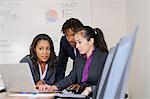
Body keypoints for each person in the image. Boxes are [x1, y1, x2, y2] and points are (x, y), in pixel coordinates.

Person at [38, 26, 108, 96]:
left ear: (90, 41)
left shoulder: (103, 58)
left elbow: (108, 83)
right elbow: (71, 78)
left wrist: (91, 89)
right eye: (76, 42)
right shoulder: (79, 59)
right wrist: (54, 87)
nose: (77, 46)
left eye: (79, 42)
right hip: (83, 95)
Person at [55, 18, 84, 83]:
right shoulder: (64, 41)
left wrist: (80, 84)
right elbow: (61, 64)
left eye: (73, 35)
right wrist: (58, 86)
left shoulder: (86, 43)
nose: (70, 39)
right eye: (67, 35)